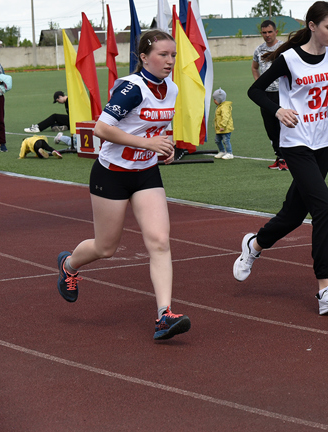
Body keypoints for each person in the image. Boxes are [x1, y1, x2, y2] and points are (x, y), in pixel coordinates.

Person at [55, 29, 191, 341]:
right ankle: (69, 265)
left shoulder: (171, 89)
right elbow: (101, 128)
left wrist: (163, 147)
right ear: (143, 57)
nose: (169, 60)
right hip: (112, 174)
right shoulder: (132, 88)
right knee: (106, 247)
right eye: (162, 54)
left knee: (159, 240)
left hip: (146, 174)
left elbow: (157, 127)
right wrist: (148, 142)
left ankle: (164, 316)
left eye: (172, 55)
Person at [236, 1, 328, 315]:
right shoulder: (289, 59)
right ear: (312, 26)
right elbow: (255, 91)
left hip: (325, 141)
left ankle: (255, 244)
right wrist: (278, 109)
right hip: (296, 143)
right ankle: (325, 290)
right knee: (324, 207)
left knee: (294, 213)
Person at [252, 20, 285, 170]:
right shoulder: (259, 50)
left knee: (284, 126)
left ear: (276, 32)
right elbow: (254, 68)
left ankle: (287, 158)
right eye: (264, 32)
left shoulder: (284, 48)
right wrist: (259, 84)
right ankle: (279, 156)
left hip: (282, 93)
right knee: (270, 128)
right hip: (265, 95)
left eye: (270, 32)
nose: (267, 35)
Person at [212, 88, 234, 160]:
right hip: (219, 128)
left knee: (226, 140)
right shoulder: (220, 106)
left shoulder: (224, 107)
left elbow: (225, 117)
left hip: (225, 128)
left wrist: (223, 126)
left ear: (219, 99)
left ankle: (229, 153)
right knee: (217, 140)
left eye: (215, 99)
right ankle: (222, 151)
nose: (214, 101)